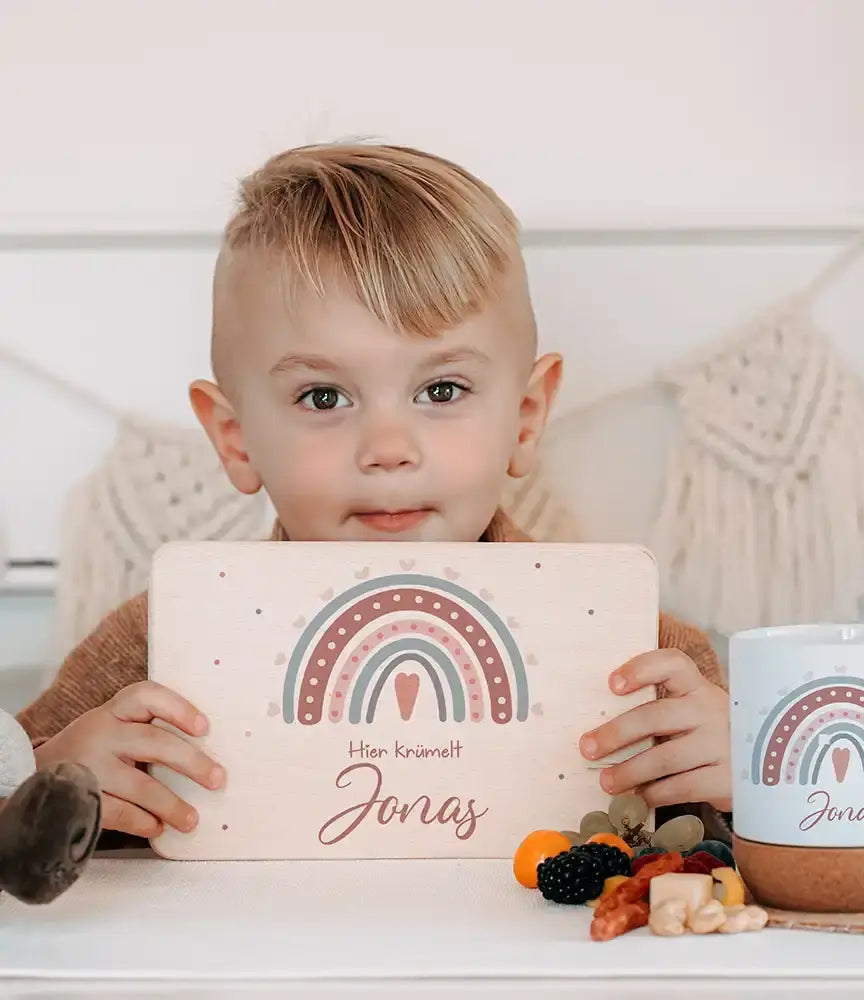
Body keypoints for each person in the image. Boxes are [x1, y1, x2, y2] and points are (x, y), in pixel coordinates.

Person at [17, 142, 732, 843]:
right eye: (324, 397)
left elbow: (745, 869)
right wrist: (45, 781)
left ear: (524, 418)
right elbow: (21, 824)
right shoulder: (157, 645)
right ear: (236, 441)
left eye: (442, 389)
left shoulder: (642, 654)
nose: (388, 448)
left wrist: (753, 784)